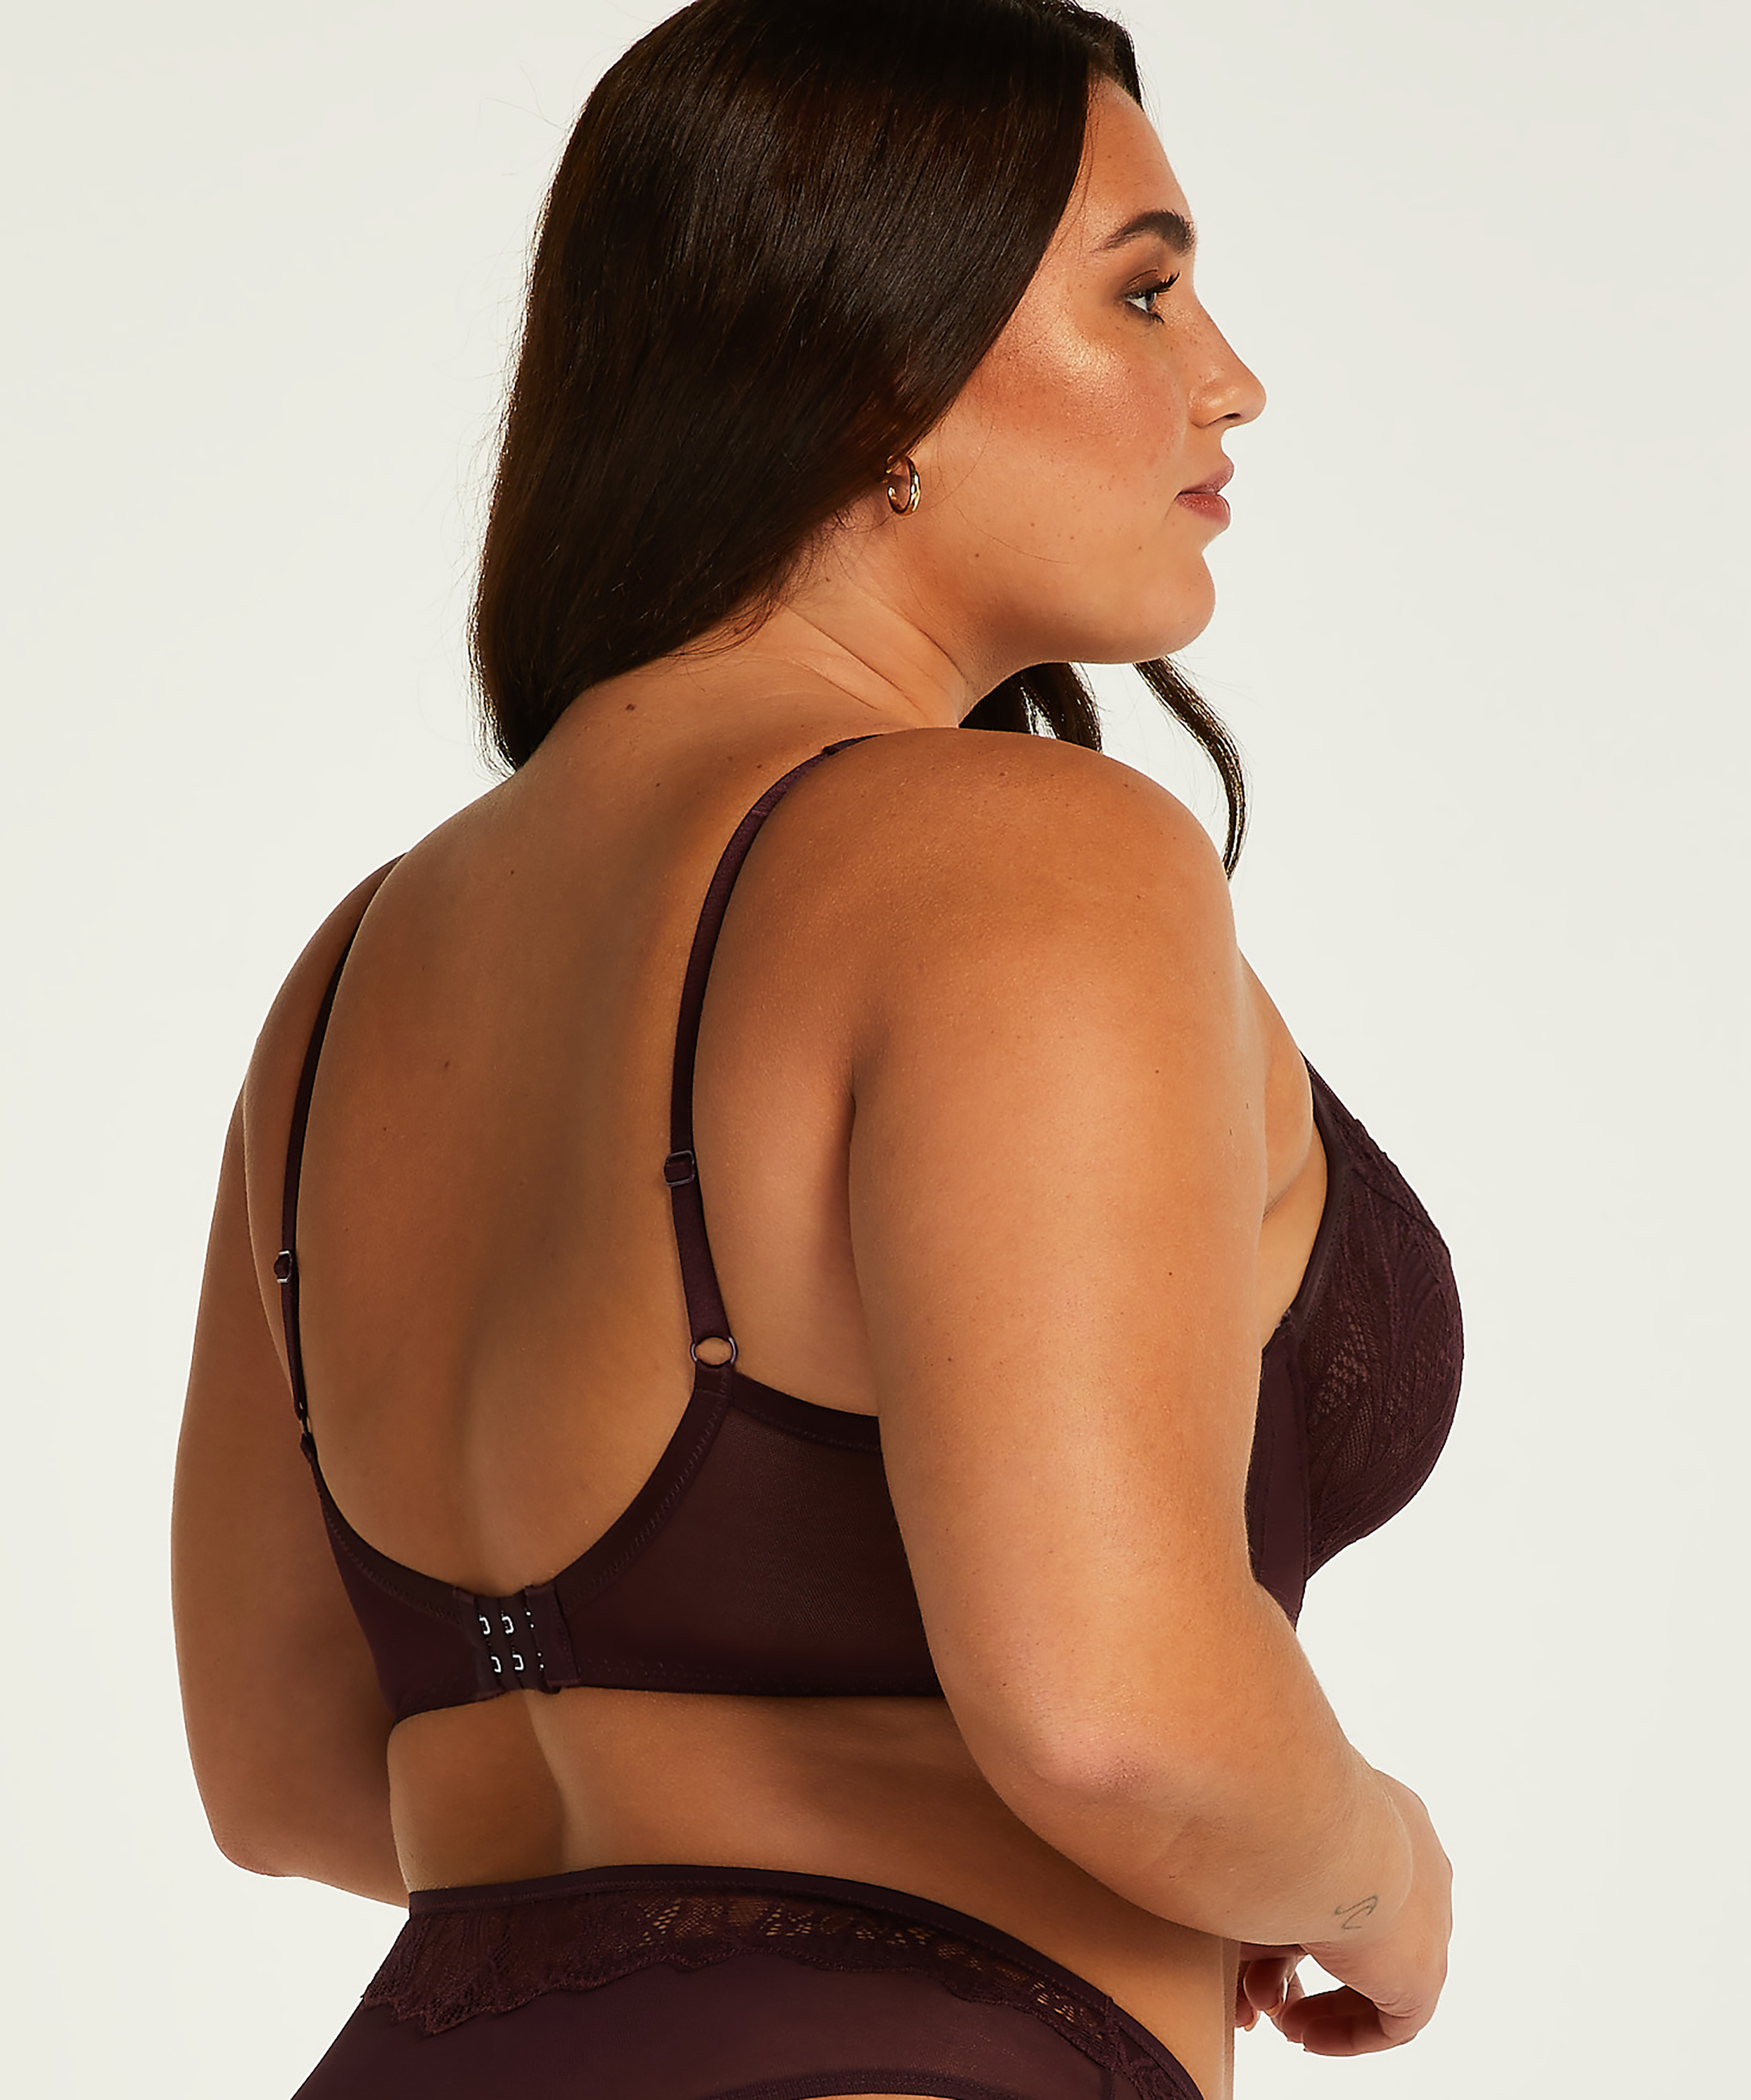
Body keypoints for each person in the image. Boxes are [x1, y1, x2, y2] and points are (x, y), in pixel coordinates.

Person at [172, 4, 1462, 2096]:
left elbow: (288, 1768)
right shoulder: (1019, 856)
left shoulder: (354, 972)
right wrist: (1377, 1875)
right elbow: (1115, 1714)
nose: (1229, 378)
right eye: (1142, 292)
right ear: (876, 365)